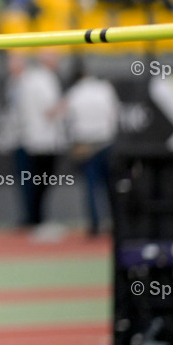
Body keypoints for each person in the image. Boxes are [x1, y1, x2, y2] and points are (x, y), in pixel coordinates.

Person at [4, 51, 67, 228]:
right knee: (39, 182)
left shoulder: (29, 80)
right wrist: (67, 105)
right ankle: (36, 218)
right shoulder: (43, 79)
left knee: (33, 183)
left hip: (31, 138)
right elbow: (50, 110)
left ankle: (34, 217)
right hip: (41, 140)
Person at [62, 65, 119, 235]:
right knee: (111, 187)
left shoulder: (74, 93)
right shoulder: (105, 89)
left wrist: (73, 143)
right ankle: (117, 223)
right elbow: (114, 114)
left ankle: (95, 225)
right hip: (106, 142)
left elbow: (68, 121)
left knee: (91, 188)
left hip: (85, 145)